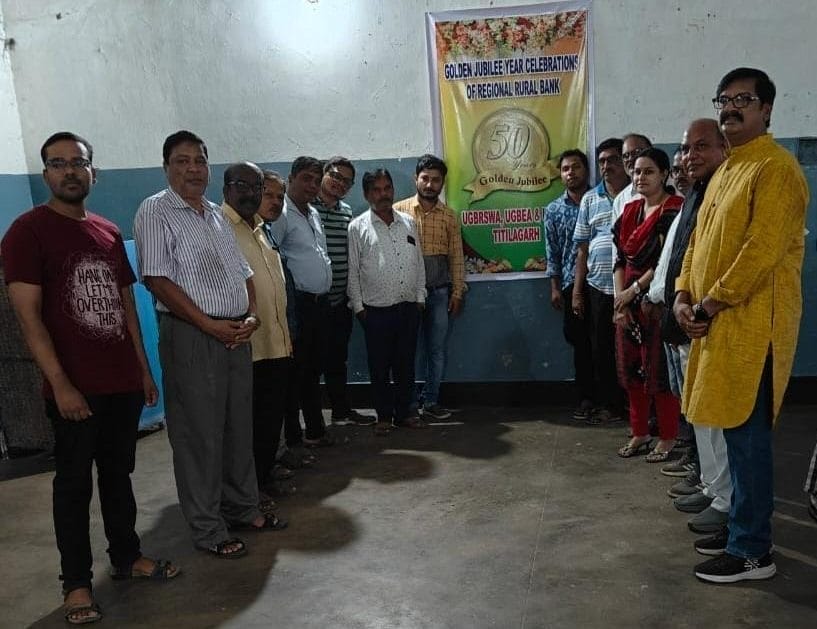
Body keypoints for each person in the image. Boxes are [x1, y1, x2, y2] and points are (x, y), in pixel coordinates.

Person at [1, 132, 179, 625]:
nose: (69, 171)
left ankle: (126, 557)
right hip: (74, 388)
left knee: (119, 476)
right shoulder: (27, 232)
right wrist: (60, 384)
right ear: (46, 174)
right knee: (74, 485)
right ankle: (76, 584)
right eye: (58, 163)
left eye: (78, 162)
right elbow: (28, 319)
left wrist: (143, 369)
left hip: (121, 382)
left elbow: (125, 306)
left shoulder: (107, 231)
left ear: (93, 173)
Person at [674, 68, 808, 583]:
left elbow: (760, 252)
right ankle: (739, 527)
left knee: (749, 441)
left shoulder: (777, 169)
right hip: (715, 323)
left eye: (743, 100)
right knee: (731, 432)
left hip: (753, 328)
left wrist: (708, 304)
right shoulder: (730, 168)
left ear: (767, 110)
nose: (731, 108)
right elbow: (696, 243)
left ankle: (753, 552)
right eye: (724, 100)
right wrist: (684, 295)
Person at [134, 131, 284, 561]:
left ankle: (243, 507)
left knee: (238, 428)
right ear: (166, 167)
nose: (193, 169)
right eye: (182, 161)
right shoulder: (156, 211)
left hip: (235, 334)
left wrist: (250, 315)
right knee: (199, 435)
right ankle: (207, 527)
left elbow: (243, 273)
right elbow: (156, 279)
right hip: (192, 336)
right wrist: (209, 325)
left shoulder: (215, 216)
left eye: (199, 161)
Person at [654, 120, 730, 533]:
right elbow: (683, 257)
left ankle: (726, 498)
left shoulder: (724, 190)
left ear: (724, 149)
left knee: (716, 417)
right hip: (685, 317)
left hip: (710, 321)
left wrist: (699, 306)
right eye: (685, 149)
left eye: (701, 146)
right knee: (699, 414)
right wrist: (679, 300)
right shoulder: (697, 193)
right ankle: (711, 485)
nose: (690, 156)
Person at [222, 162, 293, 512]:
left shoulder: (262, 229)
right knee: (245, 427)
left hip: (275, 343)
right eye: (242, 186)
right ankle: (245, 493)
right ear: (226, 189)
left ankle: (261, 481)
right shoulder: (219, 227)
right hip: (246, 346)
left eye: (256, 187)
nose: (250, 194)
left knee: (268, 421)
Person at [613, 148, 683, 461]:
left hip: (657, 301)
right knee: (631, 371)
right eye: (637, 171)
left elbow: (665, 262)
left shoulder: (674, 210)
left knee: (660, 372)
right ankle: (639, 432)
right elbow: (619, 258)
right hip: (628, 302)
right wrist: (620, 301)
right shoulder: (629, 211)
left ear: (665, 174)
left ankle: (667, 436)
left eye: (649, 171)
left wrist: (635, 291)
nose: (640, 177)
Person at [348, 169, 427, 435]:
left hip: (409, 308)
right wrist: (359, 308)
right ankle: (383, 416)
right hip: (375, 312)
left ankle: (404, 413)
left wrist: (420, 298)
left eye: (387, 188)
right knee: (379, 367)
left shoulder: (408, 222)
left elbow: (418, 261)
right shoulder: (357, 227)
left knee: (406, 365)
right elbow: (353, 271)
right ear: (366, 194)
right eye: (376, 190)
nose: (383, 195)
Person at [268, 157, 334, 448]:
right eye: (306, 178)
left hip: (320, 304)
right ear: (291, 178)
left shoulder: (313, 213)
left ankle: (315, 431)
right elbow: (274, 256)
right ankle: (294, 439)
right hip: (298, 305)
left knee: (314, 368)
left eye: (316, 181)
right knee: (295, 373)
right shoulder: (281, 214)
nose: (312, 186)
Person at [394, 154, 465, 420]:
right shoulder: (398, 211)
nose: (429, 184)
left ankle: (432, 401)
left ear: (442, 183)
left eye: (436, 180)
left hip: (439, 294)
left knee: (436, 350)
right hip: (407, 295)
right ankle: (410, 403)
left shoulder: (449, 217)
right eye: (425, 178)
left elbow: (456, 257)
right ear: (416, 179)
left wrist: (457, 292)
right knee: (408, 350)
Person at [258, 171, 315, 471]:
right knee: (266, 403)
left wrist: (289, 328)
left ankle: (279, 452)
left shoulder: (265, 232)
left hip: (282, 328)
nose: (275, 202)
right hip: (258, 336)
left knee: (281, 395)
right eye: (268, 194)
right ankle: (267, 464)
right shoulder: (238, 233)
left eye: (279, 197)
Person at [313, 156, 373, 425]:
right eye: (335, 176)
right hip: (313, 302)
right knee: (310, 363)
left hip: (340, 302)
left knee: (338, 359)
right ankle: (313, 423)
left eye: (346, 182)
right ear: (324, 173)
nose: (339, 183)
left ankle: (341, 412)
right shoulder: (305, 208)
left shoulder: (347, 213)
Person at [572, 138, 628, 424]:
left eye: (613, 159)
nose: (607, 166)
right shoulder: (590, 199)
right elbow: (582, 249)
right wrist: (577, 291)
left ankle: (639, 409)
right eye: (602, 161)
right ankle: (611, 405)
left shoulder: (636, 194)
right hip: (598, 287)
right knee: (602, 349)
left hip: (631, 288)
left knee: (632, 349)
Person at [544, 149, 594, 420]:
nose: (571, 172)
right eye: (565, 169)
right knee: (579, 342)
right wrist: (554, 288)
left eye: (576, 167)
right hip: (569, 283)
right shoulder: (553, 210)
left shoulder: (600, 201)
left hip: (600, 282)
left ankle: (609, 398)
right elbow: (552, 251)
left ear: (586, 170)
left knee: (602, 341)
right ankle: (586, 397)